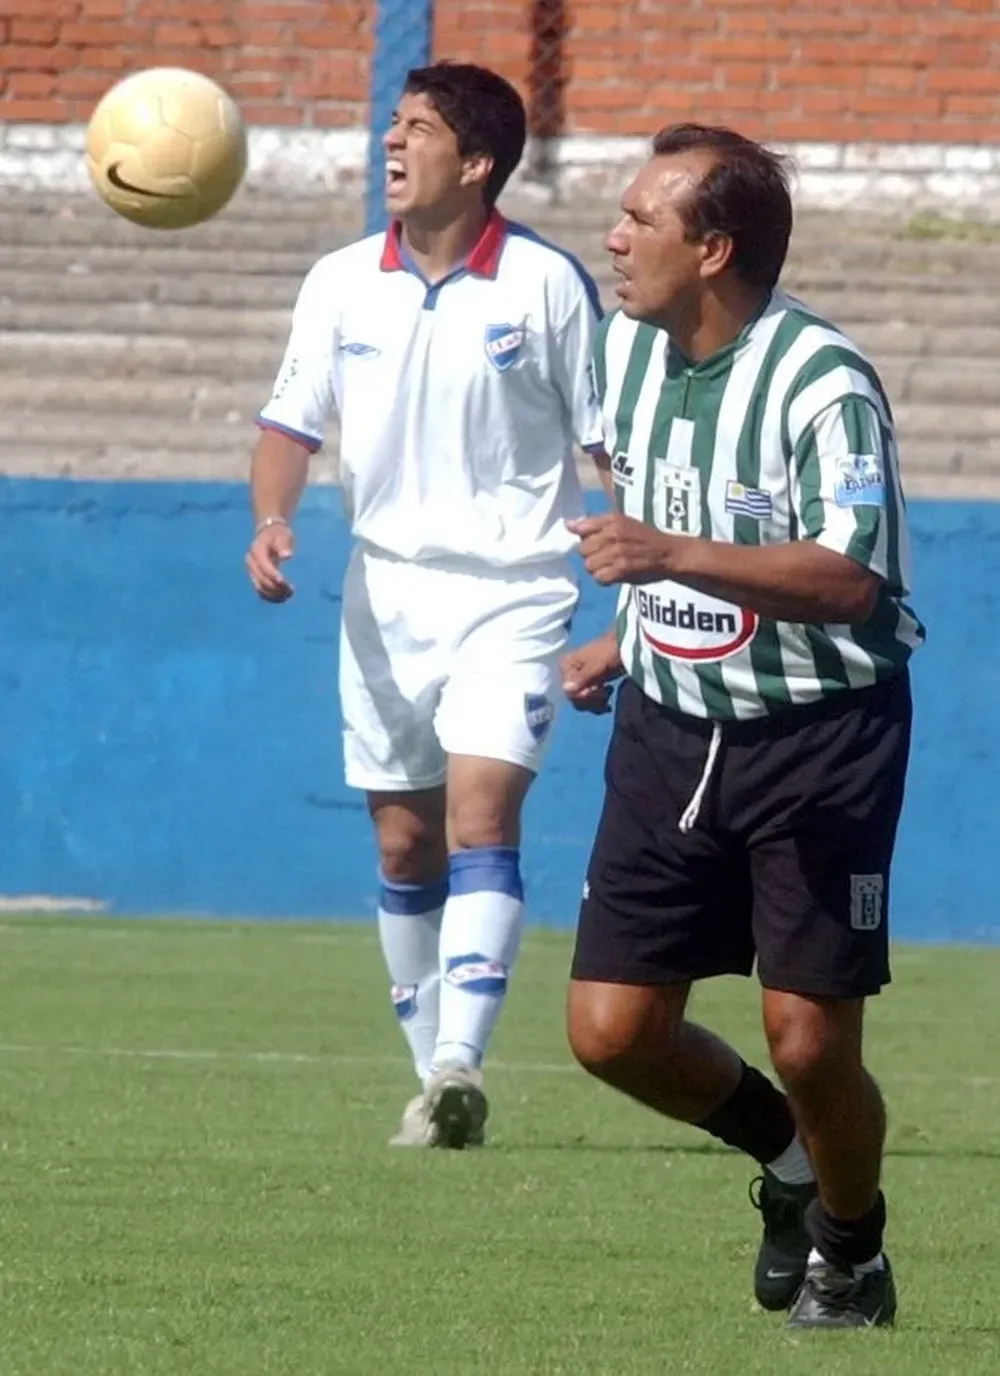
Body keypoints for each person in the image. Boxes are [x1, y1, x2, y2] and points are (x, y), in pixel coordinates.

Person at [559, 123, 923, 1329]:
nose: (612, 240)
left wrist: (667, 555)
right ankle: (786, 1161)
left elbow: (849, 579)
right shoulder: (624, 348)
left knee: (810, 1039)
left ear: (712, 248)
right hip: (670, 722)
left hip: (819, 738)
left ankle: (853, 1249)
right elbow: (634, 485)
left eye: (639, 222)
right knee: (610, 1031)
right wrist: (633, 622)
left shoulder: (821, 380)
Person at [244, 62, 605, 1149]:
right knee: (405, 845)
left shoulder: (546, 285)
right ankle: (431, 1087)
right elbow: (289, 425)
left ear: (479, 162)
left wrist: (631, 598)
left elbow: (605, 447)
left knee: (481, 816)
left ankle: (463, 1055)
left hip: (516, 593)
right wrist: (270, 518)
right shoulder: (341, 279)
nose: (392, 146)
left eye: (418, 131)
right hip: (383, 595)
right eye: (390, 128)